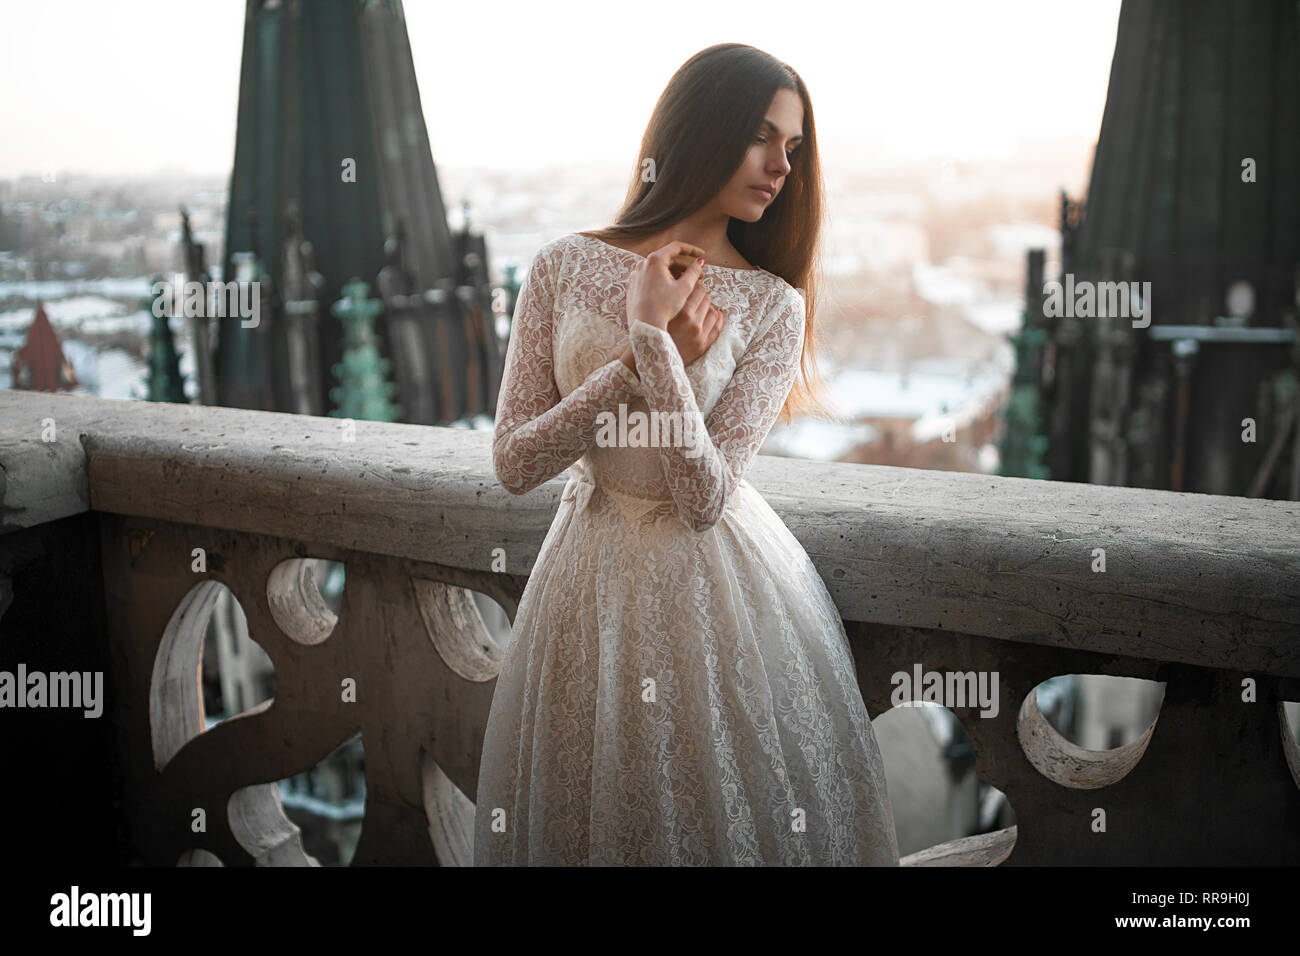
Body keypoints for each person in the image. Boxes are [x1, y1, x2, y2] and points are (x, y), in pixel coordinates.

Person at [474, 42, 899, 865]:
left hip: (713, 601)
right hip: (584, 582)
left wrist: (654, 350)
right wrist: (637, 359)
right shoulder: (562, 266)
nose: (782, 165)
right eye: (762, 137)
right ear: (698, 131)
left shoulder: (773, 305)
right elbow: (515, 462)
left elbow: (704, 497)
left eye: (794, 147)